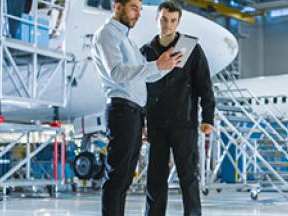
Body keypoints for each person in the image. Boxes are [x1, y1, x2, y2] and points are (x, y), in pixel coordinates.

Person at [91, 0, 182, 215]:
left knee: (124, 179)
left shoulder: (129, 42)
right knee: (117, 177)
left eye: (140, 9)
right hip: (121, 110)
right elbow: (117, 72)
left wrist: (167, 65)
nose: (138, 14)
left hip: (133, 113)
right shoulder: (106, 35)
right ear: (117, 6)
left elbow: (144, 77)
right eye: (134, 7)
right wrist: (155, 65)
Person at [140, 1, 215, 216]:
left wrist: (207, 118)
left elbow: (205, 86)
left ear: (179, 21)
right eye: (164, 19)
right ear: (157, 19)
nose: (167, 24)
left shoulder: (191, 50)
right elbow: (139, 90)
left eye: (173, 20)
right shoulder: (146, 52)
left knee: (188, 176)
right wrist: (141, 122)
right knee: (155, 178)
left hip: (184, 123)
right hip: (156, 125)